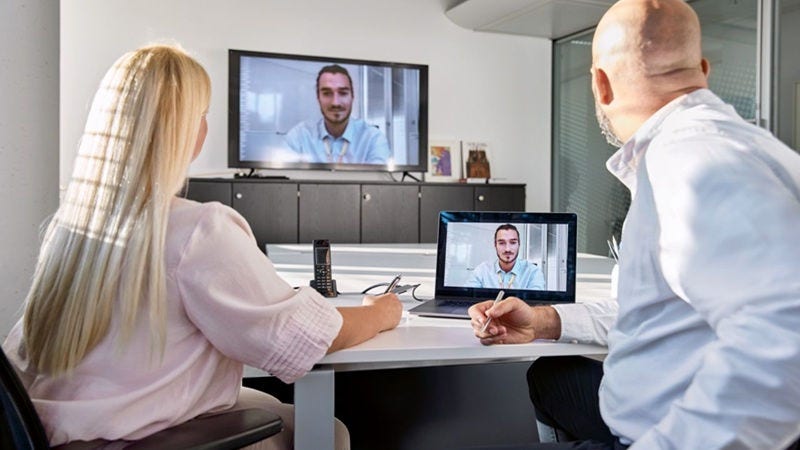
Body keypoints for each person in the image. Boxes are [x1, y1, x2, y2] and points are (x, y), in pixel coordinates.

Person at [1, 44, 403, 450]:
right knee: (328, 430)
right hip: (134, 437)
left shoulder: (70, 224)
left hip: (54, 431)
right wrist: (381, 312)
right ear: (183, 128)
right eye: (203, 115)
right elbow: (302, 337)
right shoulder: (198, 228)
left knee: (260, 400)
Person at [468, 0, 800, 449]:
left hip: (660, 431)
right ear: (702, 69)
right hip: (644, 408)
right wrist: (544, 321)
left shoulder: (690, 161)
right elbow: (651, 309)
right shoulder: (749, 151)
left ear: (600, 85)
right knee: (552, 376)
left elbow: (787, 336)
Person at [284, 64, 392, 164]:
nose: (335, 102)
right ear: (318, 98)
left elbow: (379, 181)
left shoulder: (373, 139)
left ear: (352, 97)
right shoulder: (298, 137)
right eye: (327, 93)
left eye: (343, 93)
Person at [465, 224, 545, 290]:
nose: (507, 249)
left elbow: (535, 304)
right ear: (495, 245)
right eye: (502, 243)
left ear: (519, 245)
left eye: (513, 243)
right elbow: (466, 298)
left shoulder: (533, 272)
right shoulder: (482, 270)